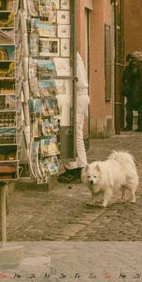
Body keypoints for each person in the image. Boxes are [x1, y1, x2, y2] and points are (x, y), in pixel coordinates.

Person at [58, 51, 90, 183]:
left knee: (70, 133)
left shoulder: (70, 55)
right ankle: (81, 167)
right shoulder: (75, 55)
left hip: (76, 96)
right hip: (80, 96)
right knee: (76, 134)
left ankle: (75, 168)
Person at [122, 51, 142, 132]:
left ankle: (129, 126)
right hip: (141, 91)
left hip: (131, 91)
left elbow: (125, 78)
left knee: (129, 108)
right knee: (141, 109)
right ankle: (141, 127)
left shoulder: (129, 67)